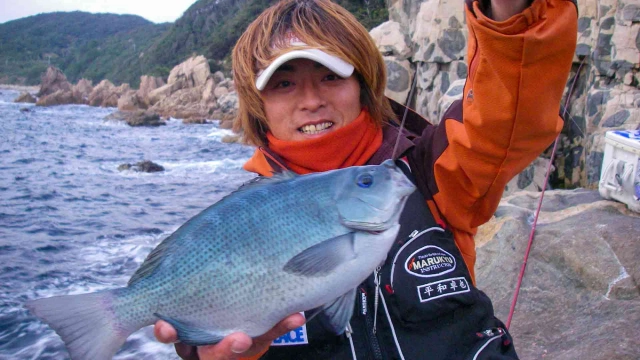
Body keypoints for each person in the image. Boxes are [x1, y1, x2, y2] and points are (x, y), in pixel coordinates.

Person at [155, 0, 578, 358]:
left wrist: (511, 11)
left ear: (363, 83)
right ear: (257, 105)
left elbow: (508, 117)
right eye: (284, 84)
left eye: (330, 76)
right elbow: (206, 333)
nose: (312, 100)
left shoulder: (430, 170)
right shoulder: (238, 222)